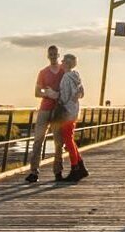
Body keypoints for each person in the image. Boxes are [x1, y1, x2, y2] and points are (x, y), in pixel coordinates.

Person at [25, 44, 65, 183]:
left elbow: (68, 92)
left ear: (58, 55)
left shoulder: (64, 72)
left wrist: (57, 95)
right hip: (45, 109)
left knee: (59, 142)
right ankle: (34, 172)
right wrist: (47, 93)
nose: (53, 57)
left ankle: (58, 171)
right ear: (48, 56)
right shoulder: (43, 72)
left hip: (58, 111)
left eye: (55, 54)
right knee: (38, 140)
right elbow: (37, 92)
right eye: (51, 54)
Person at [57, 54, 88, 182]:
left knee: (67, 139)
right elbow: (82, 93)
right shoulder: (76, 76)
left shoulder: (66, 77)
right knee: (70, 139)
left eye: (63, 61)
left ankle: (75, 168)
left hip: (67, 111)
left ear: (67, 64)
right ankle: (80, 166)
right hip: (75, 110)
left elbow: (64, 97)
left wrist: (54, 96)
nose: (61, 63)